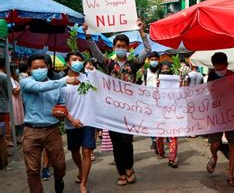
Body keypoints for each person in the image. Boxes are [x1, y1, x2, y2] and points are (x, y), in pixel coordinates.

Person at [84, 20, 150, 186]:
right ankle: (121, 172)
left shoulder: (134, 64)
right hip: (111, 111)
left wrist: (142, 32)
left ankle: (129, 168)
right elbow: (96, 52)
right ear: (114, 47)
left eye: (123, 45)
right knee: (116, 143)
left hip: (129, 111)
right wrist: (89, 36)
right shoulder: (108, 64)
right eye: (118, 45)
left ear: (127, 48)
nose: (120, 48)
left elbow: (148, 50)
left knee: (126, 142)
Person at [21, 54, 80, 193]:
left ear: (48, 67)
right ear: (29, 69)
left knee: (59, 166)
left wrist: (65, 115)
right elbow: (39, 88)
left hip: (52, 130)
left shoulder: (56, 86)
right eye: (35, 68)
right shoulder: (25, 82)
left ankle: (59, 180)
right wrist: (65, 80)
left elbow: (62, 105)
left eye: (42, 67)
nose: (39, 70)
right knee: (32, 170)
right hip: (31, 131)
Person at [205, 52, 234, 187]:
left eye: (221, 68)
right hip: (216, 115)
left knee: (233, 145)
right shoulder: (211, 76)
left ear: (227, 66)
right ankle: (214, 157)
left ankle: (230, 174)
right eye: (217, 68)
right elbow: (208, 96)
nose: (219, 71)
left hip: (232, 116)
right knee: (215, 144)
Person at [62, 52, 96, 193]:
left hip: (88, 121)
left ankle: (83, 184)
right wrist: (70, 119)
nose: (77, 62)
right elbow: (59, 104)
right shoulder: (62, 82)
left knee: (87, 151)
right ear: (68, 63)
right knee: (74, 151)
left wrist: (93, 71)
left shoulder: (88, 78)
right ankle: (81, 170)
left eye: (80, 60)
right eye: (74, 59)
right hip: (71, 123)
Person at [154, 61, 179, 167]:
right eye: (163, 69)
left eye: (167, 68)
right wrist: (157, 86)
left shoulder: (176, 82)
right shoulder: (157, 82)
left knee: (173, 137)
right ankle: (161, 152)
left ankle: (172, 158)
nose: (165, 70)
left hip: (173, 112)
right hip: (160, 113)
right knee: (159, 136)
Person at [10, 66, 24, 142]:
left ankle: (14, 138)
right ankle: (12, 139)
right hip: (13, 100)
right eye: (16, 70)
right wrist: (22, 84)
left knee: (15, 120)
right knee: (13, 119)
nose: (17, 72)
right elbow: (15, 91)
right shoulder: (10, 79)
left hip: (16, 100)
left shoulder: (14, 79)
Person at [0, 58, 12, 146]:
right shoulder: (4, 77)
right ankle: (4, 143)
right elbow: (9, 92)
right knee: (3, 125)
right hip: (2, 106)